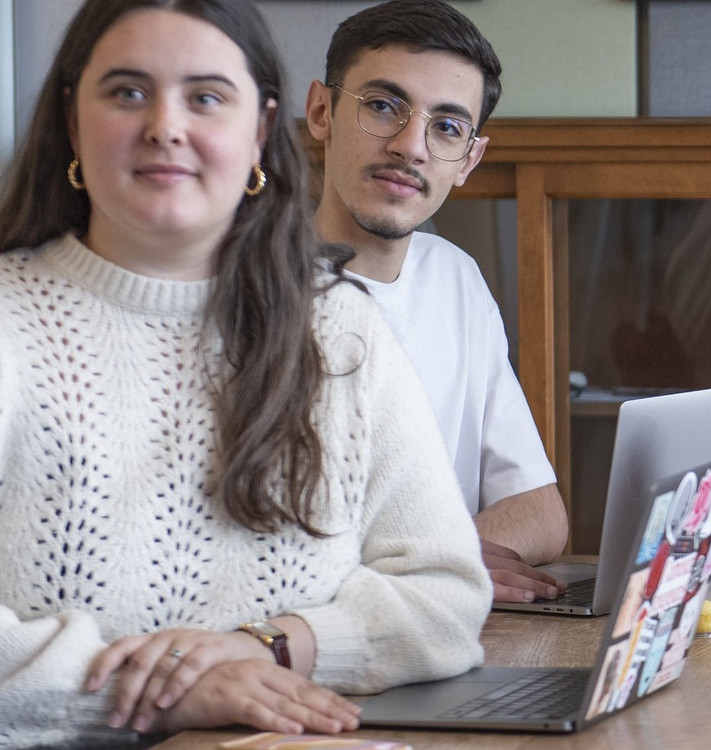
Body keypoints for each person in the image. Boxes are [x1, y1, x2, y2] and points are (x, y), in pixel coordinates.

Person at [0, 0, 491, 746]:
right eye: (128, 92)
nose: (166, 125)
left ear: (260, 131)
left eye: (205, 97)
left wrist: (267, 646)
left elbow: (446, 599)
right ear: (71, 121)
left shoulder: (338, 327)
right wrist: (162, 697)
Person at [305, 0, 568, 604]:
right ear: (321, 110)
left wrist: (438, 559)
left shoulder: (455, 278)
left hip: (435, 623)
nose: (411, 146)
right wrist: (438, 557)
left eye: (446, 127)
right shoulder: (245, 288)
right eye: (382, 107)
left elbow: (540, 511)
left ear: (469, 160)